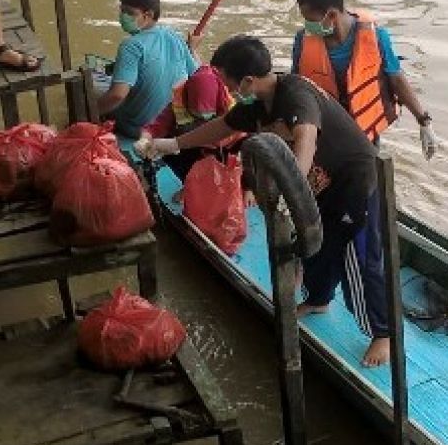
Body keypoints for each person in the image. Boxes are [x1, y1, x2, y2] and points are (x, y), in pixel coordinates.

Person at [138, 36, 393, 368]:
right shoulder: (258, 102)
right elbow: (221, 127)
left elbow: (306, 140)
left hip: (355, 182)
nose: (224, 87)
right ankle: (318, 299)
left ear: (246, 80)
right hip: (321, 183)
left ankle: (383, 332)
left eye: (226, 80)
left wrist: (293, 190)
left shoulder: (296, 95)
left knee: (358, 258)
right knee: (314, 246)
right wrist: (170, 144)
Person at [292, 0, 438, 158]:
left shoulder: (376, 36)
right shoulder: (302, 41)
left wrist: (423, 120)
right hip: (324, 134)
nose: (307, 26)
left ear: (331, 16)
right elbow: (296, 87)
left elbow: (397, 79)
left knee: (366, 174)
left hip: (364, 133)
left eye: (310, 20)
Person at [94, 0, 200, 139]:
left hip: (137, 128)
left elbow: (117, 95)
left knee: (92, 83)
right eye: (122, 11)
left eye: (129, 13)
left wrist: (90, 112)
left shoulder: (131, 46)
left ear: (148, 15)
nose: (123, 17)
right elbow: (197, 72)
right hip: (170, 125)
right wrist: (193, 49)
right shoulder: (174, 36)